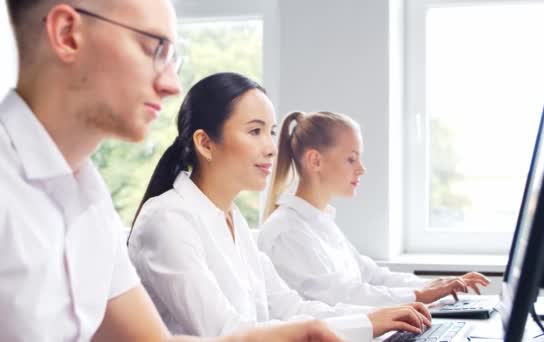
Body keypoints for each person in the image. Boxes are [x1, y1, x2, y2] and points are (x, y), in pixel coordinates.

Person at [1, 1, 343, 341]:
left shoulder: (88, 198)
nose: (171, 85)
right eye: (153, 48)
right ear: (67, 34)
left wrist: (282, 336)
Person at [128, 72, 432, 342]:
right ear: (205, 143)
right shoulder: (166, 220)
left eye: (271, 132)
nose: (272, 148)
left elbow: (288, 308)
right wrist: (364, 324)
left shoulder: (234, 222)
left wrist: (371, 321)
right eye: (254, 131)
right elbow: (224, 333)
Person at [258, 111, 490, 307]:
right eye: (351, 159)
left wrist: (435, 285)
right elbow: (341, 298)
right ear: (315, 161)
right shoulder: (286, 231)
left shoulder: (319, 221)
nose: (362, 169)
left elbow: (371, 276)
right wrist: (419, 296)